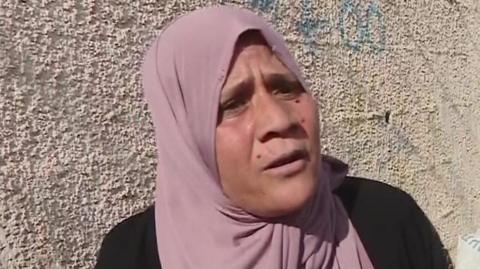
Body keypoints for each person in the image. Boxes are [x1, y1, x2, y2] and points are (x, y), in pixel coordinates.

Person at [95, 6, 452, 269]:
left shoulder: (387, 220)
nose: (279, 120)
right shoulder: (132, 256)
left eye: (285, 88)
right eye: (233, 104)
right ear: (186, 140)